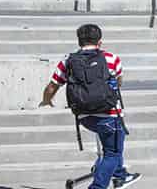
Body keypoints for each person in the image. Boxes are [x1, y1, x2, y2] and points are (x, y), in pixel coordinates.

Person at [42, 22, 137, 189]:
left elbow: (52, 86)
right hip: (109, 115)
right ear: (99, 42)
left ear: (79, 42)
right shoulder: (111, 58)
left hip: (85, 117)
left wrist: (47, 100)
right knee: (113, 153)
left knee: (111, 149)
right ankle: (99, 184)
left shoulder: (68, 62)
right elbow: (119, 81)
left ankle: (119, 174)